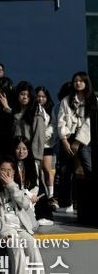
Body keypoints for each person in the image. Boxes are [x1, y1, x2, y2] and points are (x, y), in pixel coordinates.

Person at [0, 157, 54, 274]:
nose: (6, 173)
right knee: (15, 244)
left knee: (32, 245)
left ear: (14, 172)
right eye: (3, 170)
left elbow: (26, 205)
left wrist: (12, 186)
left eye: (9, 170)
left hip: (21, 228)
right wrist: (5, 232)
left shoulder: (16, 187)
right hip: (3, 229)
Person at [56, 71, 96, 215]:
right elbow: (60, 121)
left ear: (86, 82)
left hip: (85, 139)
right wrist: (64, 140)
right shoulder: (66, 100)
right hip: (67, 137)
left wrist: (78, 142)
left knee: (88, 169)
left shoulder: (93, 100)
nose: (78, 83)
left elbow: (90, 123)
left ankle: (91, 200)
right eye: (75, 81)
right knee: (65, 171)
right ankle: (68, 203)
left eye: (81, 81)